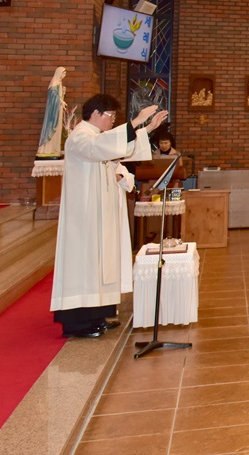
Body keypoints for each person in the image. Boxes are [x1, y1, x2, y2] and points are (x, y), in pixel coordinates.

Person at [51, 94, 167, 338]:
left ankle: (97, 315)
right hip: (85, 218)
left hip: (99, 214)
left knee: (100, 265)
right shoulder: (81, 136)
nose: (113, 121)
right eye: (111, 116)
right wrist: (135, 123)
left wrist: (147, 129)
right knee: (86, 266)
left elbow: (119, 153)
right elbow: (102, 148)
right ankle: (78, 323)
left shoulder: (97, 137)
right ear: (95, 113)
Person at [37, 66, 68, 157]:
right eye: (63, 73)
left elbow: (59, 96)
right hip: (53, 112)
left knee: (58, 129)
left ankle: (54, 148)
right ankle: (47, 149)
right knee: (52, 127)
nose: (64, 75)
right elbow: (53, 96)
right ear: (59, 73)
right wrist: (60, 100)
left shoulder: (59, 83)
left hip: (58, 109)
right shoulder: (54, 83)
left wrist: (63, 93)